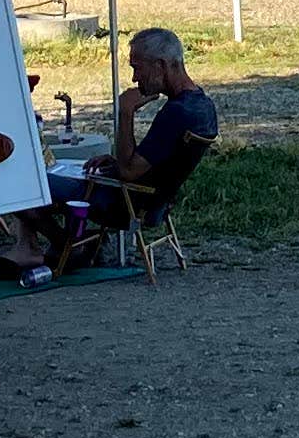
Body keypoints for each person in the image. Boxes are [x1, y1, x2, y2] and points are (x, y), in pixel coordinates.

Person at [57, 27, 215, 267]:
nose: (134, 79)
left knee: (35, 186)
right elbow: (155, 162)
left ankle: (58, 246)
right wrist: (117, 162)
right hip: (157, 202)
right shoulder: (203, 106)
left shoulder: (175, 114)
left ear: (160, 66)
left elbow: (129, 172)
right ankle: (65, 246)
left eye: (137, 68)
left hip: (127, 205)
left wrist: (125, 112)